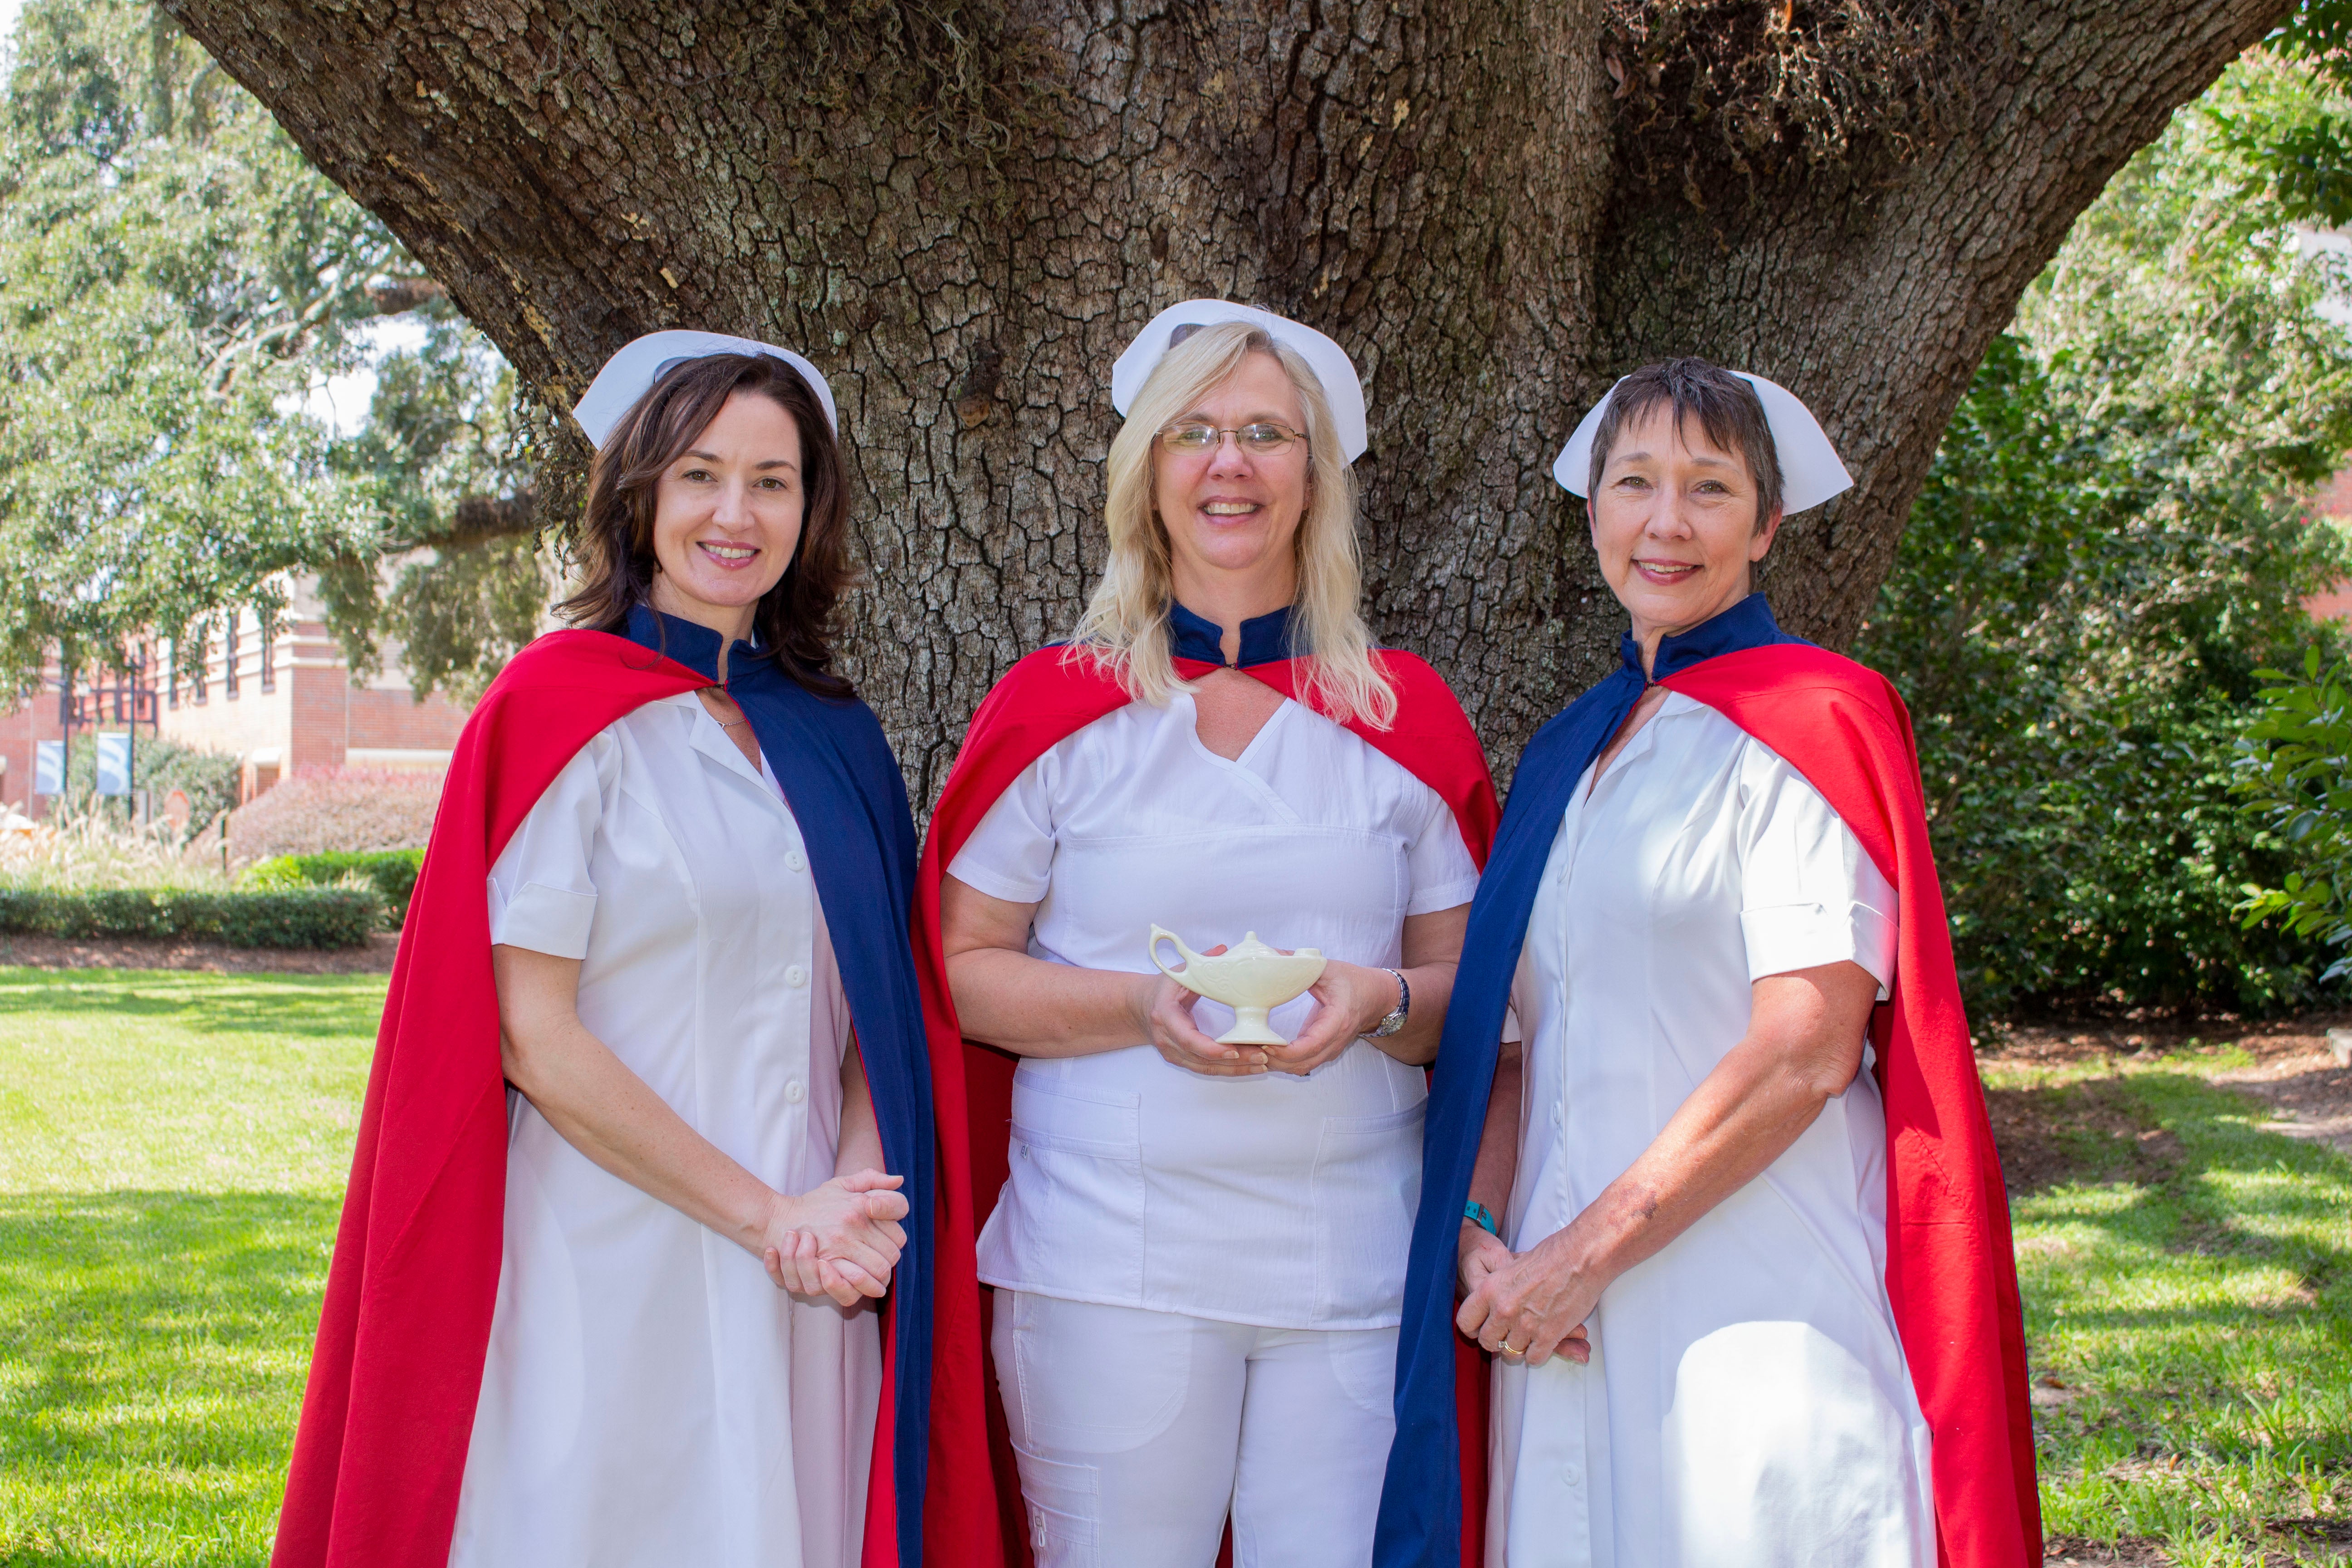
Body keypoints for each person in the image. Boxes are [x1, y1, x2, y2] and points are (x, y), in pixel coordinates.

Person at [270, 331, 995, 1568]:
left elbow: (877, 1006)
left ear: (809, 511)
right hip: (610, 1252)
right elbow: (530, 1035)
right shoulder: (558, 715)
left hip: (810, 1266)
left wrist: (856, 1211)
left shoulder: (835, 740)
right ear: (639, 494)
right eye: (701, 474)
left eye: (773, 481)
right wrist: (768, 1216)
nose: (736, 512)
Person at [1375, 359, 2040, 1568]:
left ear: (1767, 524)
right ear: (1594, 514)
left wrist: (1584, 1255)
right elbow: (1516, 1044)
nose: (1665, 522)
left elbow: (1806, 1048)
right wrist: (1481, 1226)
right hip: (1555, 1323)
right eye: (1635, 483)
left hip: (1754, 1306)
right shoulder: (1570, 752)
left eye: (1709, 488)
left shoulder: (1814, 719)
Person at [911, 300, 1500, 1568]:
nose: (1229, 463)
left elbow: (1479, 998)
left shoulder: (1404, 716)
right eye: (1194, 433)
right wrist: (1136, 1008)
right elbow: (961, 973)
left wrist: (1381, 1000)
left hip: (1353, 1272)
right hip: (1104, 1264)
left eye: (1265, 434)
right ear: (1146, 477)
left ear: (1315, 477)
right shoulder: (1054, 712)